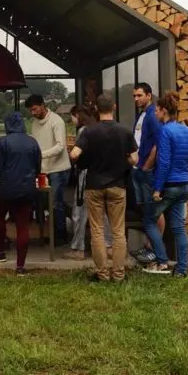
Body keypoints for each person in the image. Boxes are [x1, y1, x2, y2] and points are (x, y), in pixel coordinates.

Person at [69, 94, 137, 283]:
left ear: (97, 109)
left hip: (94, 186)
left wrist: (82, 158)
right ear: (114, 107)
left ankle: (102, 274)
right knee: (117, 231)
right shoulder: (124, 131)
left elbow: (74, 154)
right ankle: (119, 274)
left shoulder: (89, 132)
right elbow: (134, 159)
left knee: (97, 231)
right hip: (117, 185)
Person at [142, 92, 188, 278]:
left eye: (157, 111)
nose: (154, 114)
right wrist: (182, 167)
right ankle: (181, 270)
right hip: (185, 184)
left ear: (164, 111)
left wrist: (158, 188)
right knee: (178, 227)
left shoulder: (165, 132)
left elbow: (164, 162)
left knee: (150, 220)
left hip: (169, 185)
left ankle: (161, 261)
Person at [0, 111, 42, 276]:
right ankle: (20, 267)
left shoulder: (2, 142)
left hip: (6, 189)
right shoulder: (33, 142)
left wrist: (0, 180)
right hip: (27, 189)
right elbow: (38, 168)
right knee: (22, 226)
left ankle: (0, 251)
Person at [65, 105, 113, 260]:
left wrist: (71, 152)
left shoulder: (83, 131)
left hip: (85, 176)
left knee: (79, 212)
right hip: (100, 175)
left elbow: (77, 155)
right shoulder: (98, 129)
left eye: (72, 116)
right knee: (102, 212)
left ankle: (78, 248)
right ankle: (109, 246)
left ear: (77, 116)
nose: (72, 120)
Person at [25, 94, 72, 243]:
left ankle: (60, 235)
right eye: (30, 111)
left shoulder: (56, 121)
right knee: (43, 204)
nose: (33, 113)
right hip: (43, 170)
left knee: (55, 203)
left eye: (34, 109)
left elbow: (60, 146)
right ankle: (50, 233)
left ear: (42, 105)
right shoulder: (34, 123)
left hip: (59, 169)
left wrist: (41, 155)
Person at [130, 83, 164, 263]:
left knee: (155, 211)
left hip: (147, 170)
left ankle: (155, 250)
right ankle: (149, 246)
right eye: (134, 96)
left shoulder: (152, 115)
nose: (136, 99)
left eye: (139, 95)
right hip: (138, 168)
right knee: (145, 209)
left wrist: (147, 166)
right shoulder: (142, 114)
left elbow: (158, 144)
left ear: (149, 95)